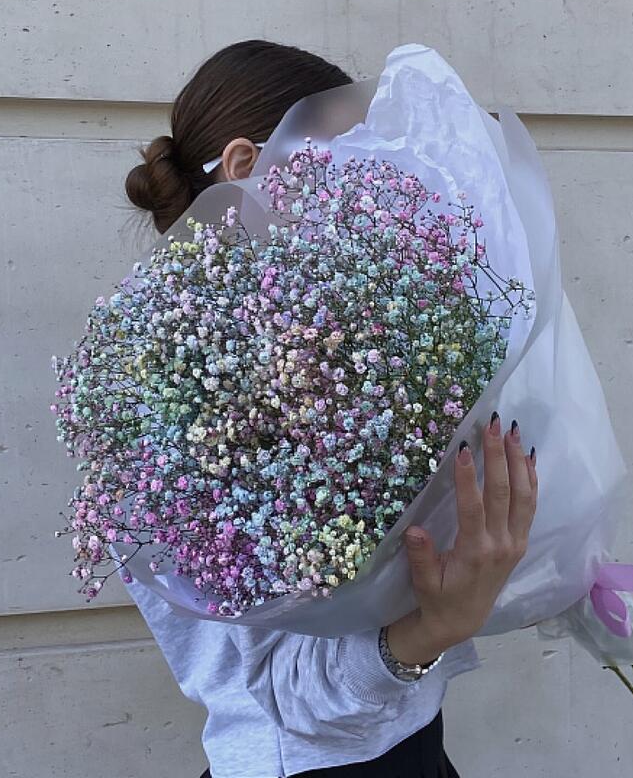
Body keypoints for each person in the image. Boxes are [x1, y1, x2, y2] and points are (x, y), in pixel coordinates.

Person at [123, 40, 539, 778]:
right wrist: (430, 630)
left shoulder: (341, 341)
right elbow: (279, 693)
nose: (369, 185)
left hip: (412, 747)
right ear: (246, 166)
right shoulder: (175, 399)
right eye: (347, 160)